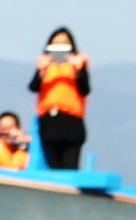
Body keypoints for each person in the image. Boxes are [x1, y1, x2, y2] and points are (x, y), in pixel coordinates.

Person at [29, 27, 90, 169]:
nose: (60, 48)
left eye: (64, 43)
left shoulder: (79, 64)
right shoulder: (44, 65)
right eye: (56, 44)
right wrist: (41, 70)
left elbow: (85, 89)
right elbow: (33, 87)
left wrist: (77, 69)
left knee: (69, 166)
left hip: (71, 123)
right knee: (53, 166)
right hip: (48, 123)